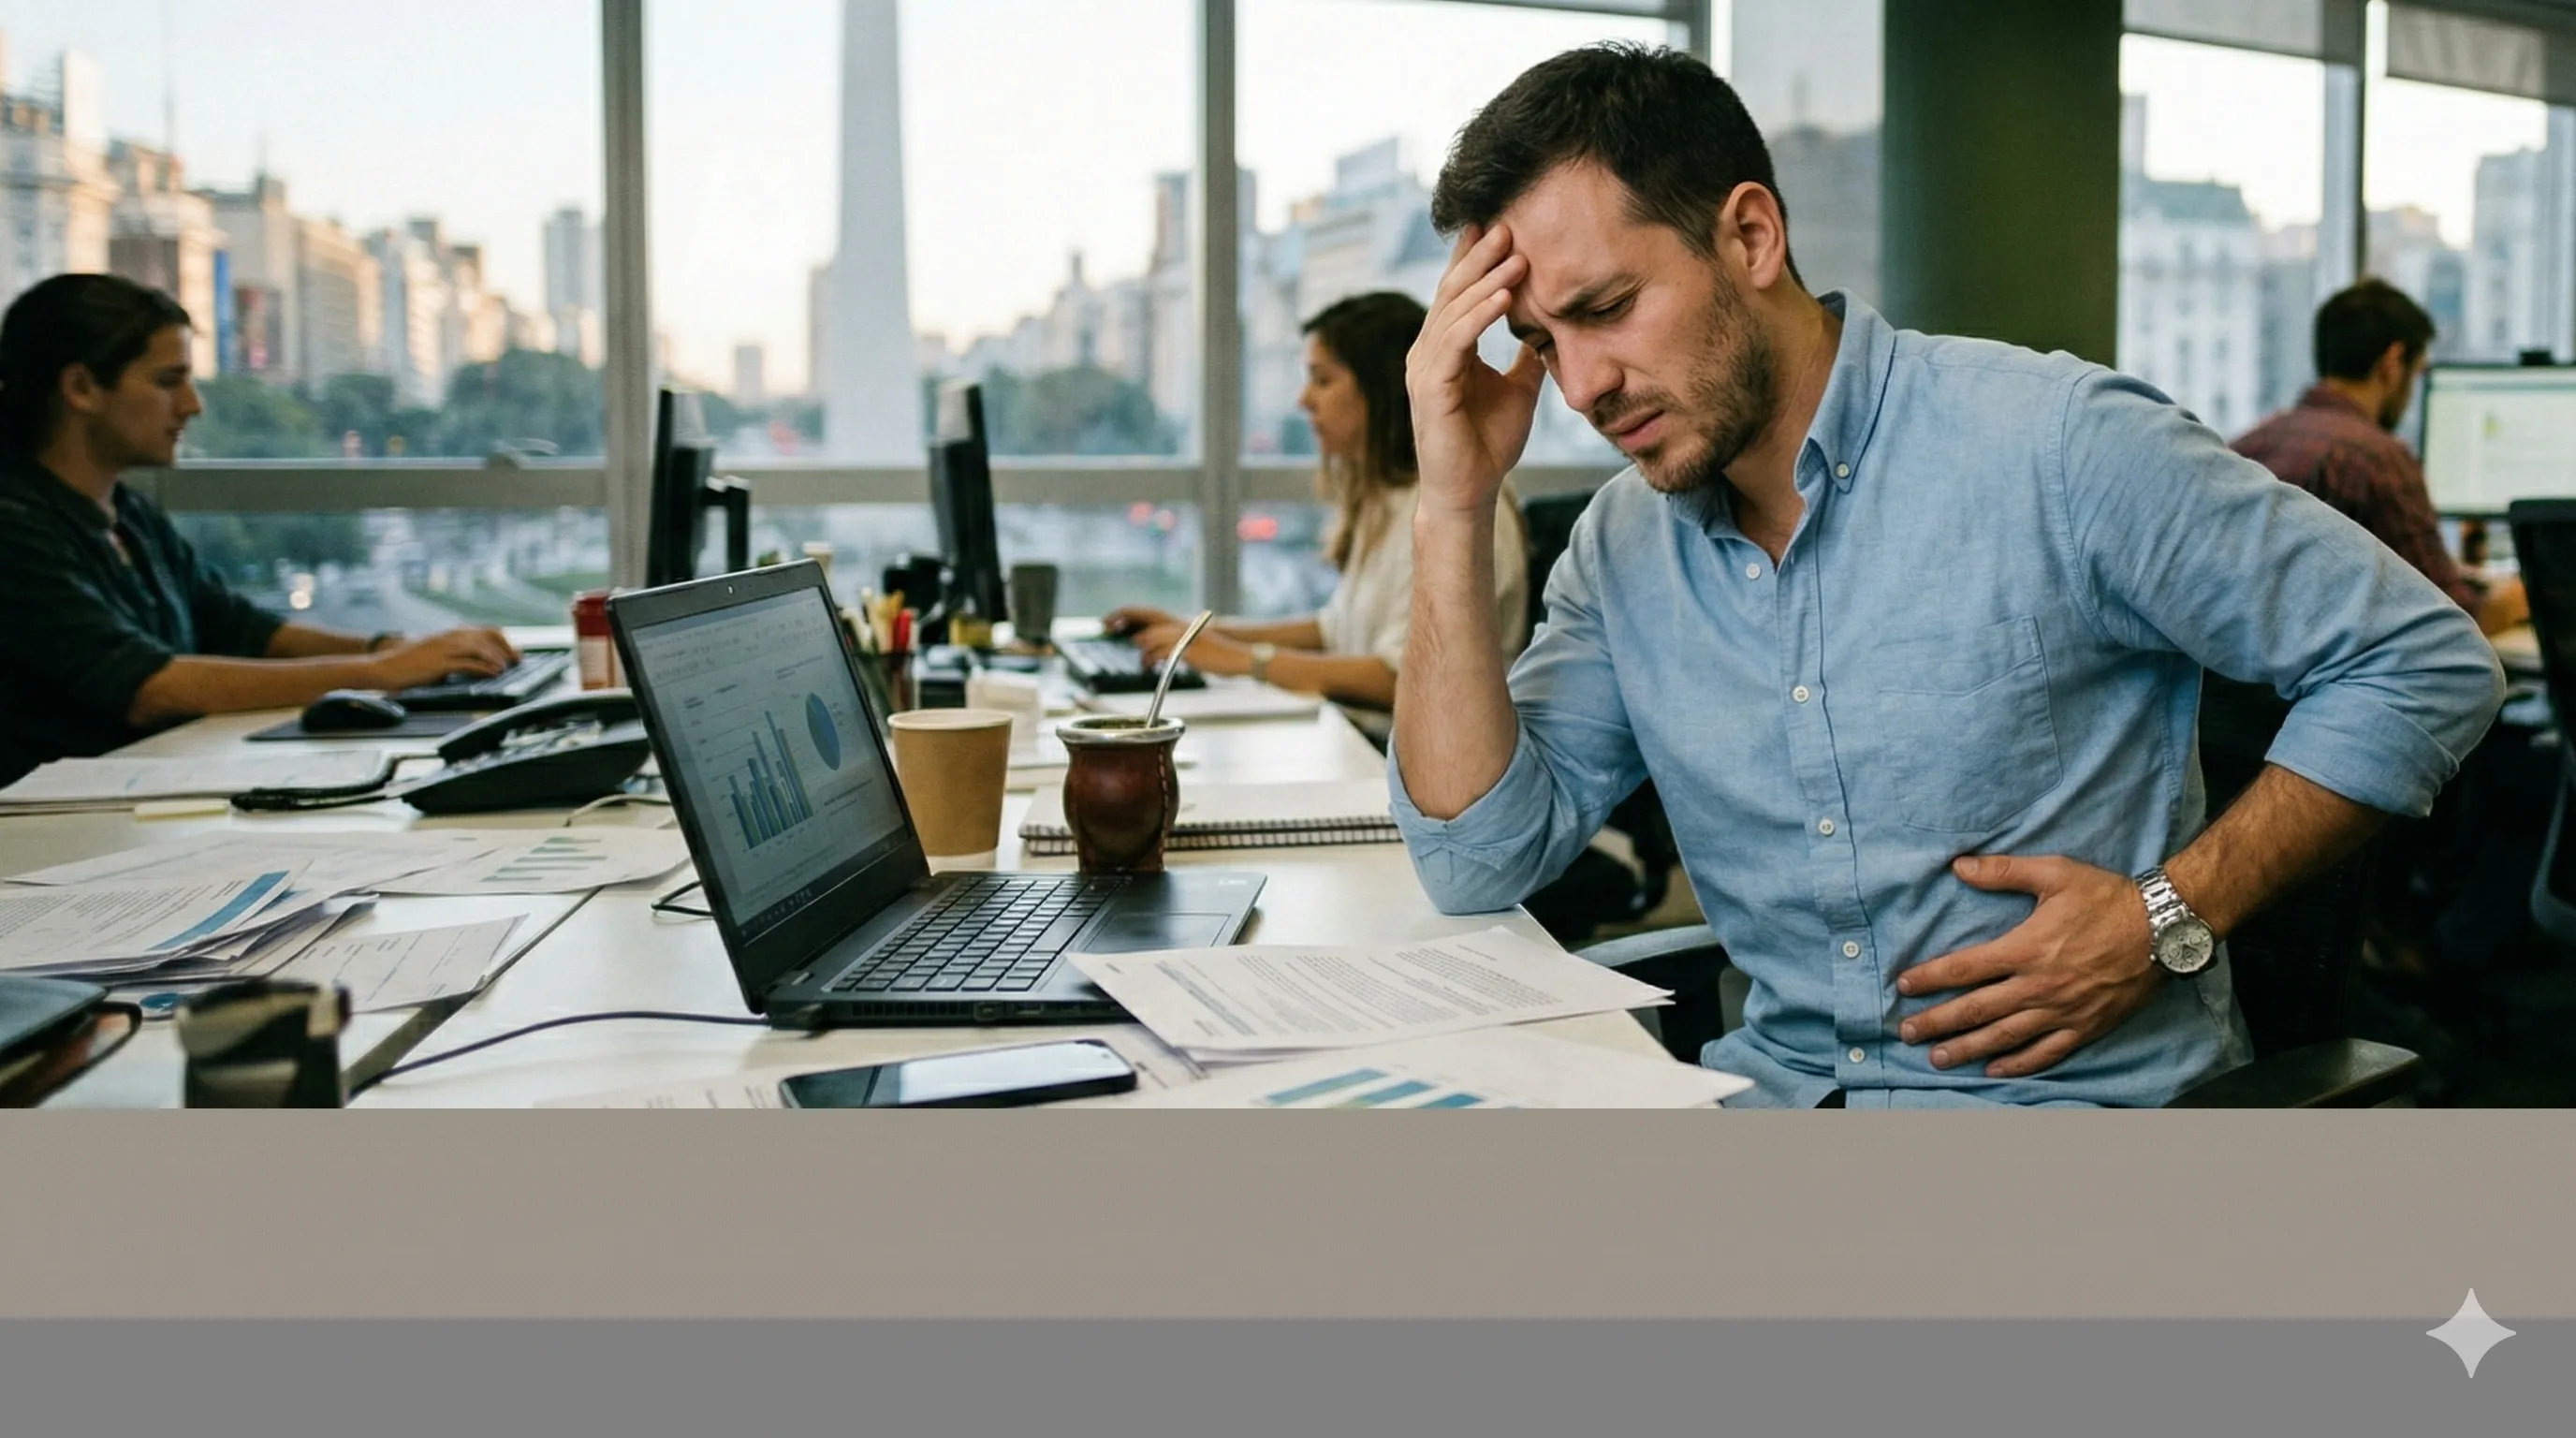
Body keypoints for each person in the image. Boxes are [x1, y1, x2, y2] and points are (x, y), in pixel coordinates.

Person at [1389, 44, 2504, 1108]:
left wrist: (2167, 914)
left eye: (1604, 310)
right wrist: (1452, 499)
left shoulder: (2055, 446)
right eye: (1539, 344)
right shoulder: (1621, 547)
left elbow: (2421, 661)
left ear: (1750, 236)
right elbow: (1476, 860)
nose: (1579, 386)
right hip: (1773, 1110)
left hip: (2073, 1131)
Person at [0, 273, 520, 786]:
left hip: (133, 799)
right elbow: (150, 687)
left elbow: (243, 631)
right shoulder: (15, 529)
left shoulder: (127, 513)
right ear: (81, 388)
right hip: (48, 837)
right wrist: (383, 672)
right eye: (167, 381)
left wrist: (391, 647)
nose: (192, 405)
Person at [1104, 290, 1528, 742]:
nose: (1304, 401)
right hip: (1368, 746)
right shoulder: (1389, 498)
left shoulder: (1466, 513)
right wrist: (1192, 635)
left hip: (1411, 763)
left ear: (1380, 389)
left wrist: (1247, 661)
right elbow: (1335, 631)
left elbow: (1398, 678)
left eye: (1323, 380)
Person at [2232, 279, 2527, 636]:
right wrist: (2519, 596)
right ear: (2392, 363)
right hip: (2340, 680)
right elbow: (2452, 621)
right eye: (2415, 373)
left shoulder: (2248, 445)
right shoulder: (2378, 458)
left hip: (2248, 678)